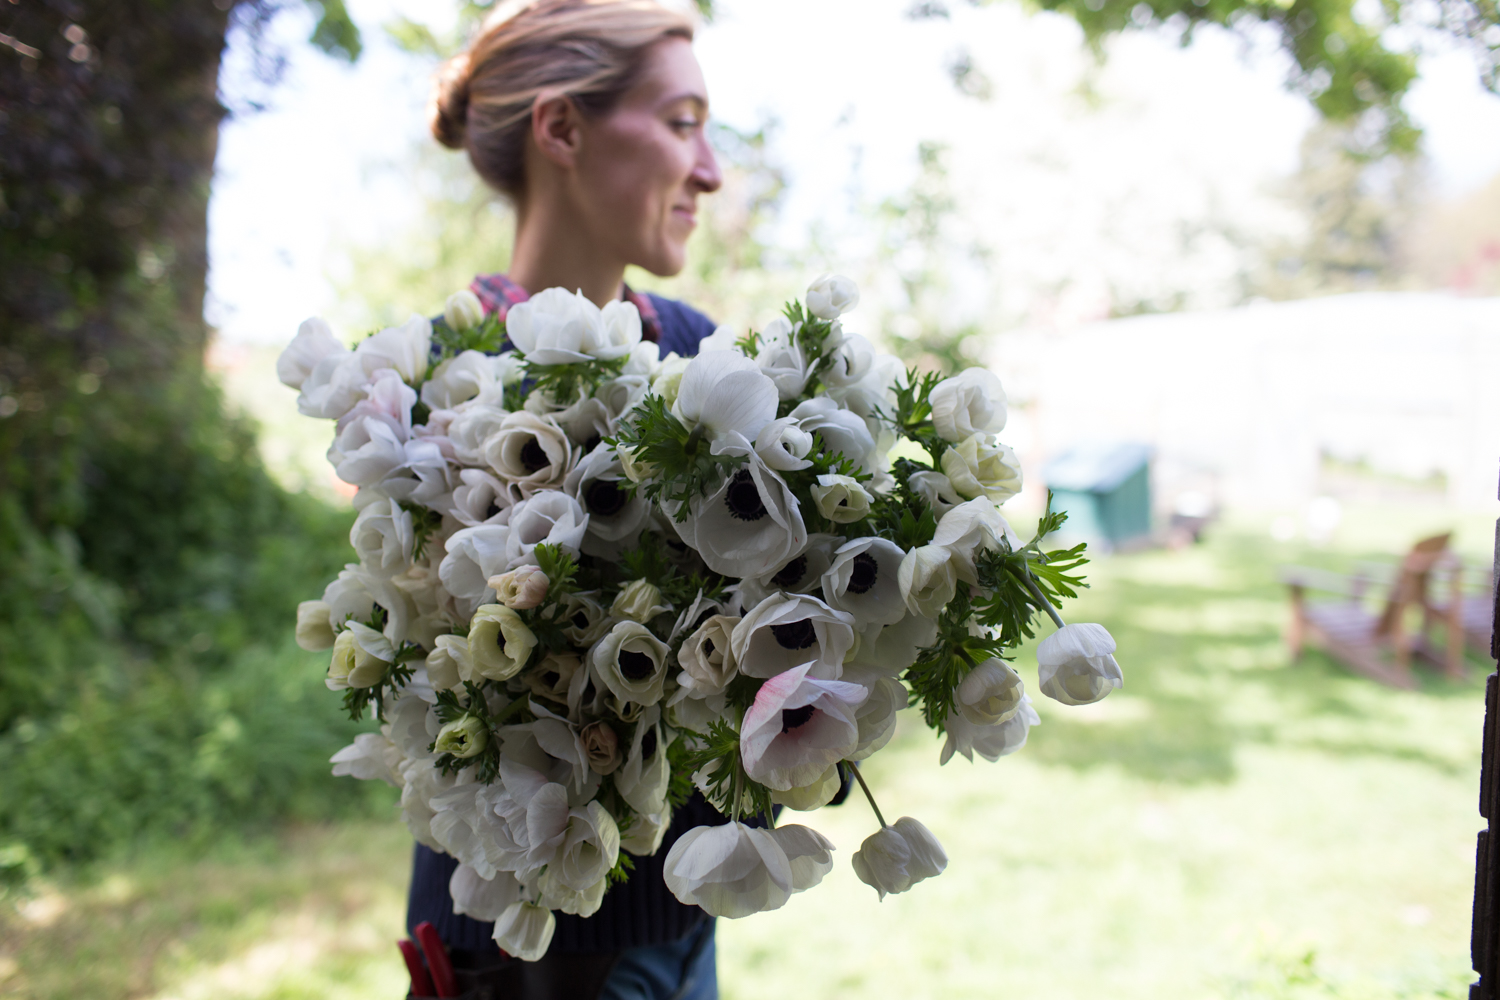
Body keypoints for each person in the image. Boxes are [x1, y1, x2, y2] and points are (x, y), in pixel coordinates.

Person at [407, 2, 726, 997]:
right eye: (681, 123)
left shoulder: (701, 352)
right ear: (562, 129)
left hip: (686, 914)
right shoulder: (435, 388)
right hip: (513, 945)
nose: (710, 169)